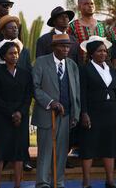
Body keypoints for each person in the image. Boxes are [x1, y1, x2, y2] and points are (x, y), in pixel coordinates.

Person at [32, 34, 81, 188]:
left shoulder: (72, 65)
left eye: (68, 46)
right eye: (62, 46)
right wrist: (51, 102)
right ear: (53, 47)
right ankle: (43, 183)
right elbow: (35, 87)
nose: (66, 49)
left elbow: (76, 91)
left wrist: (76, 114)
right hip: (48, 115)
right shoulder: (41, 62)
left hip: (66, 116)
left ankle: (58, 182)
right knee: (46, 151)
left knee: (61, 152)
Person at [0, 41, 32, 188]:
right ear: (3, 56)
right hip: (2, 118)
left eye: (16, 53)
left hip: (21, 118)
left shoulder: (25, 74)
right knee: (0, 153)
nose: (15, 56)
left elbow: (28, 97)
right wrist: (11, 113)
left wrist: (20, 113)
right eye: (11, 53)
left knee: (19, 153)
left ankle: (18, 185)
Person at [79, 36, 116, 188]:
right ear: (91, 53)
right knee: (89, 146)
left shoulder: (111, 69)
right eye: (99, 51)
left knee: (109, 146)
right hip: (92, 112)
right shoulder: (85, 69)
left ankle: (110, 181)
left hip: (110, 112)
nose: (103, 53)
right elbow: (82, 93)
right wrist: (84, 113)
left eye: (105, 51)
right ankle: (86, 182)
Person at [68, 0, 107, 64]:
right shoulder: (72, 26)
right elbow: (70, 50)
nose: (90, 6)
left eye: (92, 3)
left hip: (101, 67)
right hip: (81, 67)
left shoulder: (102, 25)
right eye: (86, 4)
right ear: (79, 7)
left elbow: (108, 47)